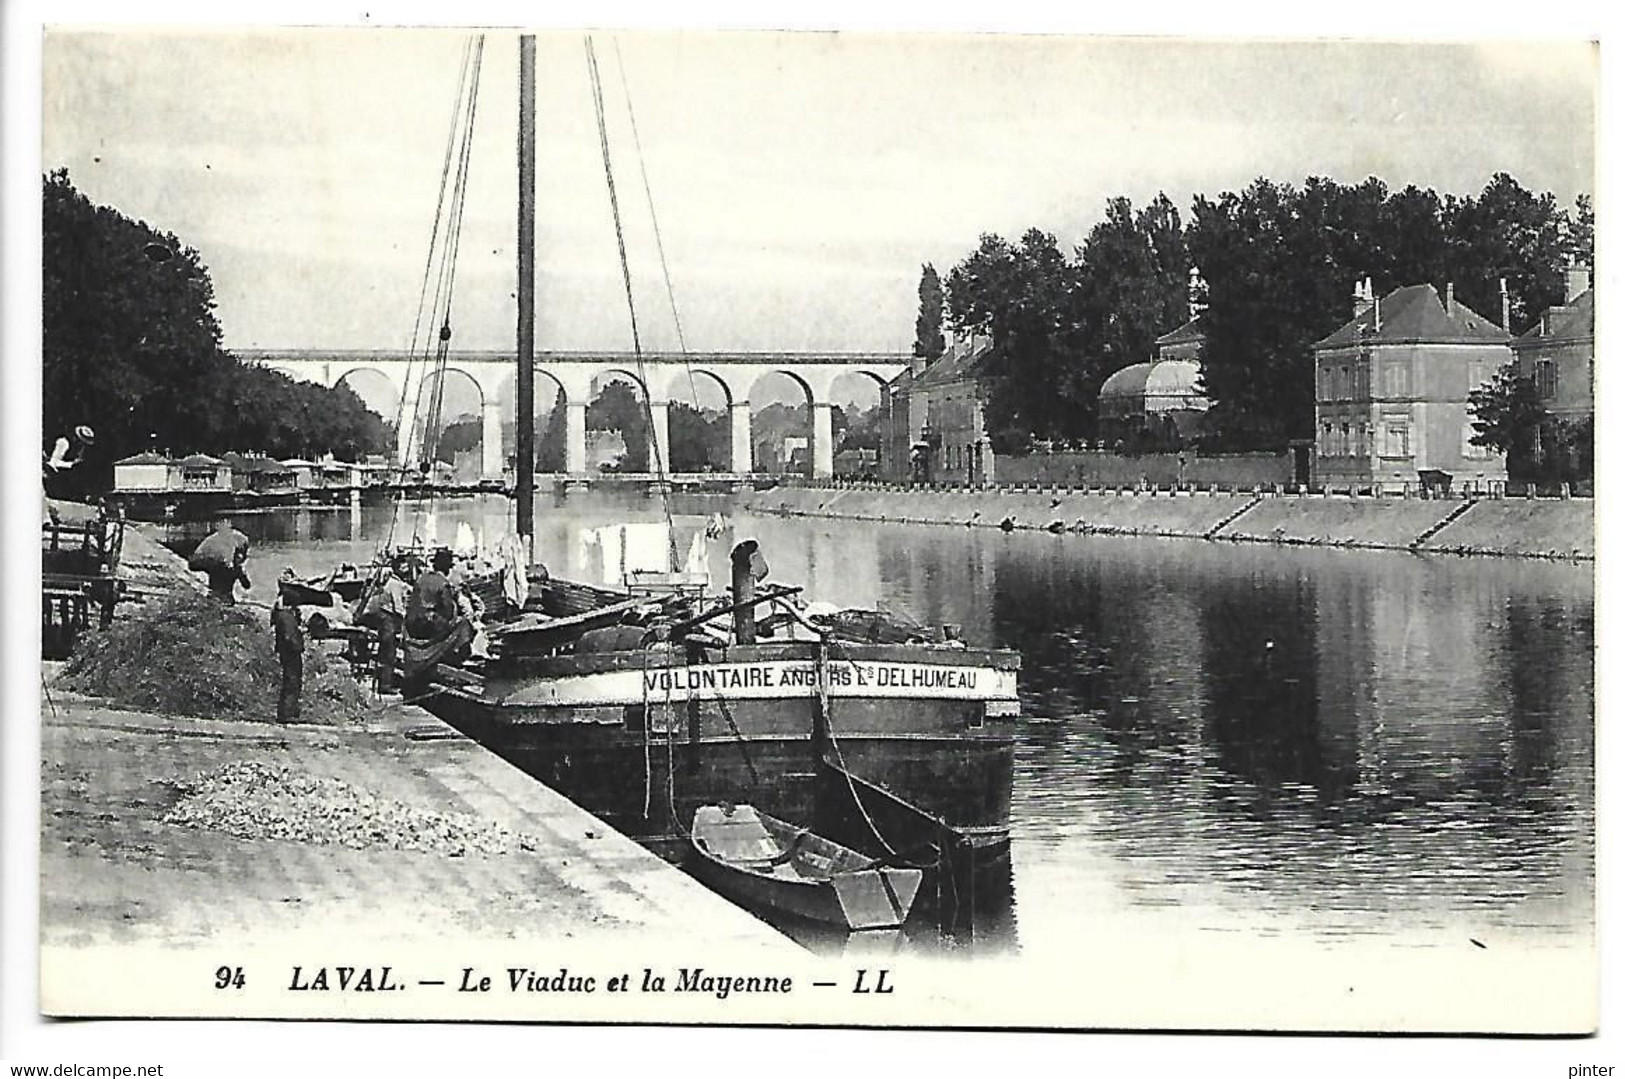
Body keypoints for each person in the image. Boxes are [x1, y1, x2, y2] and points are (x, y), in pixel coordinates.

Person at [358, 565, 410, 693]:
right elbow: (398, 606)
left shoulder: (384, 584)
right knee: (389, 652)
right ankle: (385, 685)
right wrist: (406, 619)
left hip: (379, 618)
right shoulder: (395, 584)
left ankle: (380, 681)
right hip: (388, 619)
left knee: (383, 650)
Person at [189, 518, 251, 603]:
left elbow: (192, 565)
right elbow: (247, 585)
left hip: (213, 595)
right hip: (227, 598)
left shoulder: (215, 560)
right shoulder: (236, 569)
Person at [270, 591, 304, 724]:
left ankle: (286, 712)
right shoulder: (287, 617)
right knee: (292, 681)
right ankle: (287, 713)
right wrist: (298, 646)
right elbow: (289, 636)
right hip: (291, 653)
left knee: (289, 681)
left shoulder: (282, 615)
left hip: (286, 652)